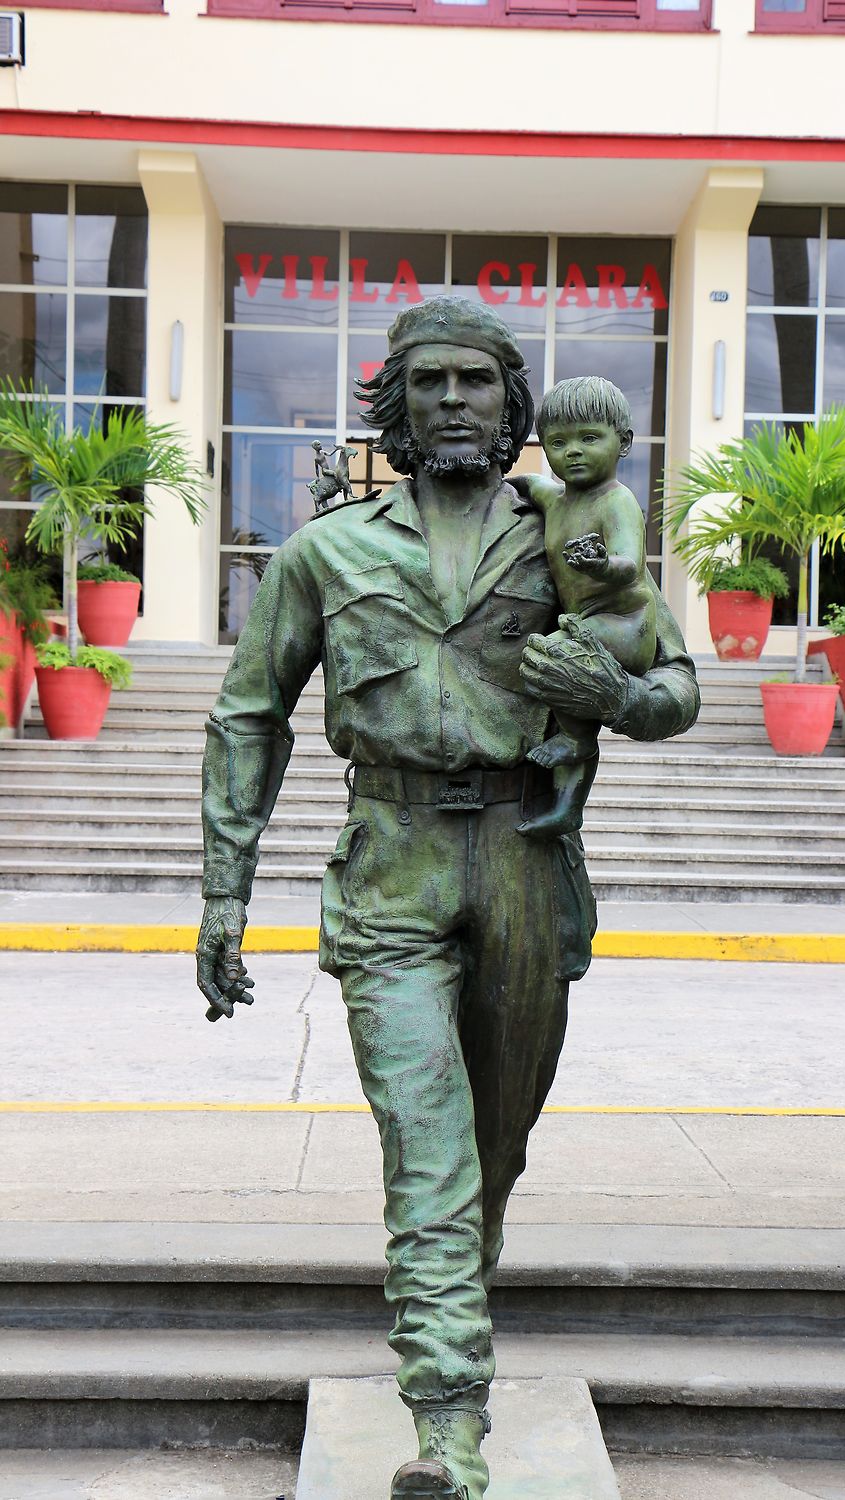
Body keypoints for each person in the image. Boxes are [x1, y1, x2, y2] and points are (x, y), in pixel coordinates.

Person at [195, 296, 699, 1500]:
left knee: (490, 1152)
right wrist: (226, 891)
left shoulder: (577, 537)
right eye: (433, 384)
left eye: (479, 382)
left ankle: (453, 1319)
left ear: (514, 406)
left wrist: (616, 695)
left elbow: (675, 685)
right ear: (397, 407)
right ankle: (451, 1431)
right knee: (426, 1148)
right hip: (392, 864)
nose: (458, 402)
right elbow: (247, 715)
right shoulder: (328, 550)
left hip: (526, 863)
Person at [513, 376, 657, 839]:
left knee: (558, 659)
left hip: (625, 624)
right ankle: (567, 808)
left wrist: (601, 565)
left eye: (589, 438)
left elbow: (631, 566)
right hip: (585, 623)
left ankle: (576, 740)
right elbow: (527, 483)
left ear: (624, 443)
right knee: (559, 676)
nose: (572, 451)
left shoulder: (617, 502)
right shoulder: (554, 499)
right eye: (558, 442)